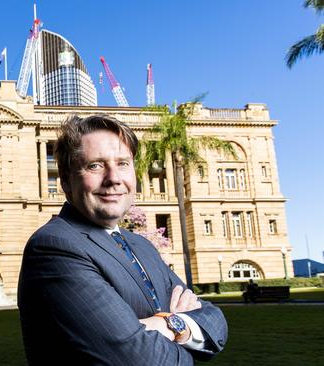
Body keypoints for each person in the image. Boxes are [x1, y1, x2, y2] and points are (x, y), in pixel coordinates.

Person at [18, 115, 228, 365]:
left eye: (123, 164)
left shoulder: (142, 245)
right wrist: (182, 326)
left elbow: (215, 321)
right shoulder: (54, 246)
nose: (114, 178)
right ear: (65, 180)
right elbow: (140, 359)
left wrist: (166, 325)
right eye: (95, 165)